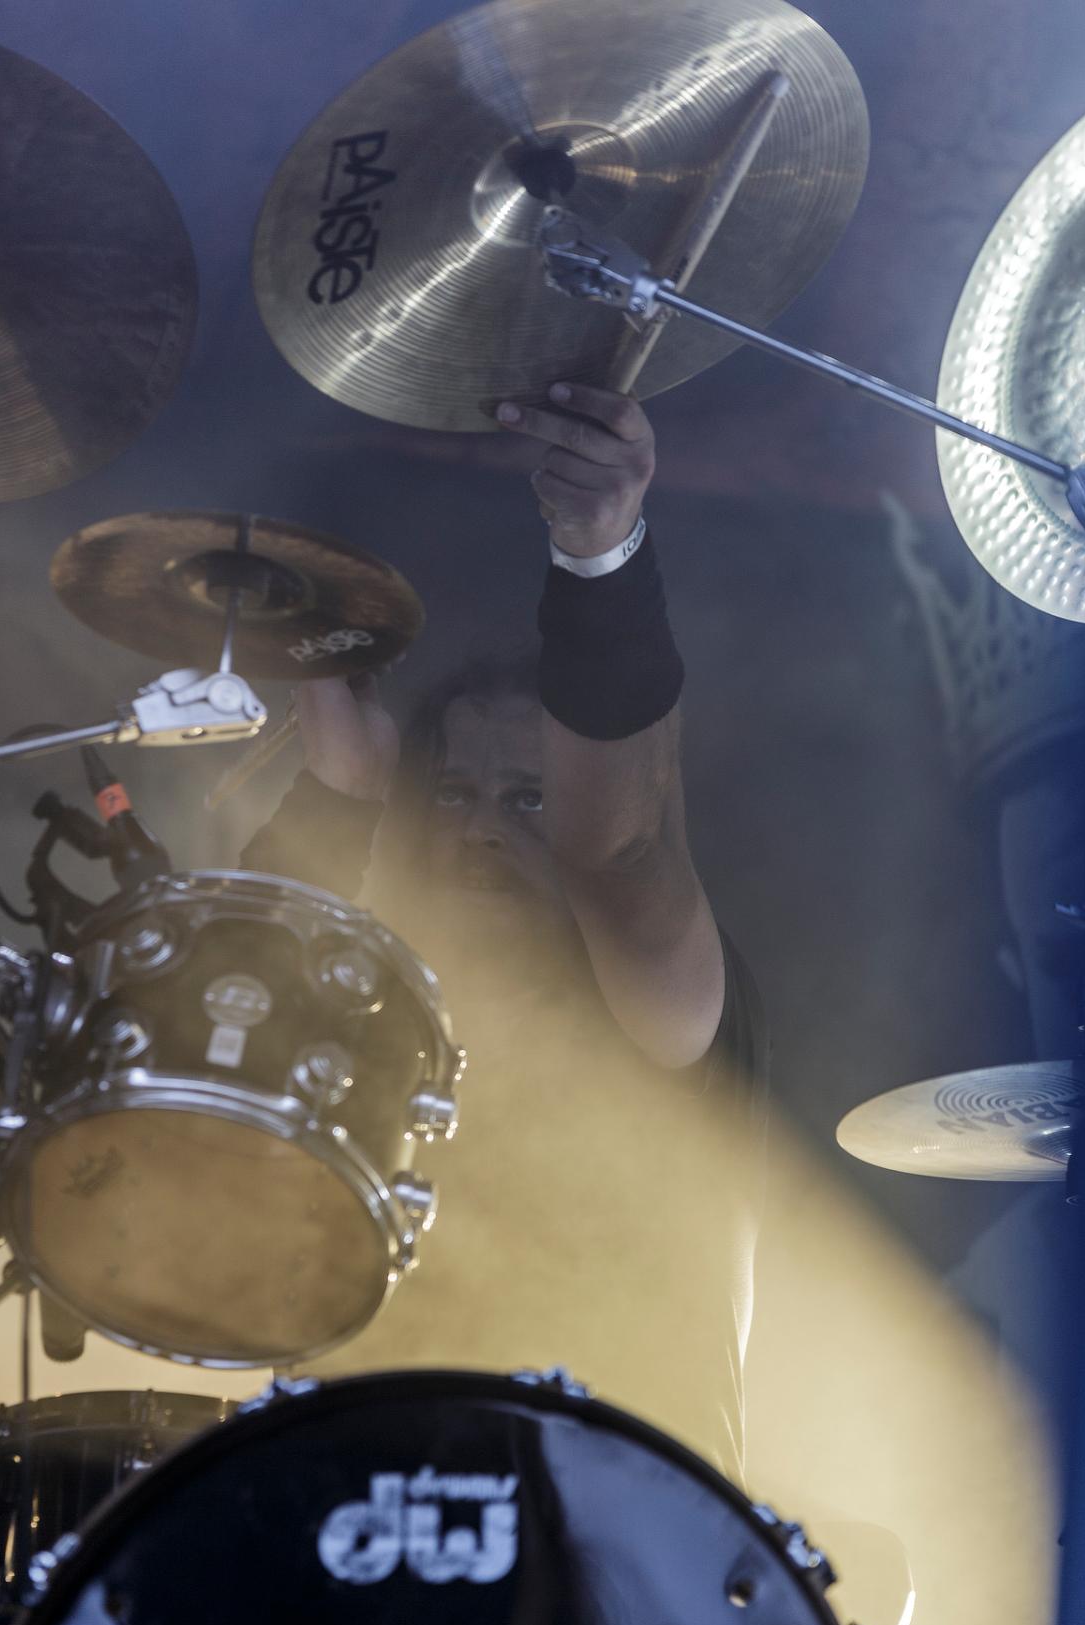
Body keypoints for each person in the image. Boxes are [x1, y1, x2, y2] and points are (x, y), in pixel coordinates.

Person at [241, 382, 765, 1484]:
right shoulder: (385, 1016)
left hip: (615, 1536)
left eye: (528, 798)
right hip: (363, 1519)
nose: (479, 826)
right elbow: (233, 1032)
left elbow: (621, 849)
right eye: (455, 793)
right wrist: (338, 784)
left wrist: (599, 559)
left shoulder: (664, 1002)